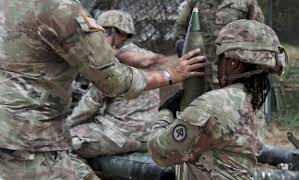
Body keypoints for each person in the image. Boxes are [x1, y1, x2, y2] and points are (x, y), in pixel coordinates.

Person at [0, 1, 205, 179]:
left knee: (72, 144)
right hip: (146, 132)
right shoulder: (141, 55)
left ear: (119, 34)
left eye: (107, 32)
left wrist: (169, 76)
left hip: (34, 138)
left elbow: (100, 94)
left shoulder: (13, 7)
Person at [148, 19, 288, 180]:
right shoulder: (255, 101)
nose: (216, 64)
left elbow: (160, 153)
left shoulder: (212, 104)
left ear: (233, 63)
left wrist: (165, 114)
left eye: (220, 58)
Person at [68, 10, 168, 180]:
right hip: (146, 134)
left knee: (56, 146)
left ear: (114, 32)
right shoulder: (145, 56)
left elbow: (90, 104)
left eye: (102, 32)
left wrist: (67, 125)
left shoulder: (111, 60)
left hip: (119, 134)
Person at [175, 0, 264, 91]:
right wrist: (180, 42)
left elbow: (259, 31)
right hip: (200, 75)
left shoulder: (247, 2)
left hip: (234, 75)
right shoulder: (194, 2)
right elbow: (180, 26)